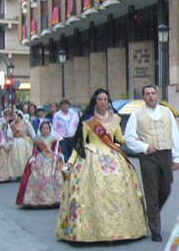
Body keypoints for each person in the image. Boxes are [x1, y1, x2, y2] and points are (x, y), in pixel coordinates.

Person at [56, 89, 147, 242]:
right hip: (92, 157)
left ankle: (120, 229)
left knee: (118, 189)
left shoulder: (115, 118)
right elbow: (80, 143)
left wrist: (134, 139)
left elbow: (119, 138)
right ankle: (94, 230)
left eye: (105, 99)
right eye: (100, 99)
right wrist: (70, 162)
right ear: (95, 101)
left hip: (113, 156)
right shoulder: (88, 120)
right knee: (94, 193)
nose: (103, 102)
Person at [124, 85, 179, 242]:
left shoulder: (166, 111)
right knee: (151, 191)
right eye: (147, 94)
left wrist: (177, 157)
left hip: (166, 153)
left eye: (153, 93)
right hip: (148, 155)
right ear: (143, 97)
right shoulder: (137, 114)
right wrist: (144, 147)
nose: (150, 96)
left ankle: (151, 213)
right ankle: (155, 229)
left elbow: (174, 134)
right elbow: (128, 137)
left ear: (157, 95)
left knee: (166, 187)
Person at [16, 121, 65, 207]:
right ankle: (39, 198)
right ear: (40, 129)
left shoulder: (54, 139)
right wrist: (33, 159)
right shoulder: (37, 140)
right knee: (37, 177)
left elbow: (58, 150)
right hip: (40, 160)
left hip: (51, 161)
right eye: (43, 129)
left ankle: (55, 198)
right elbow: (35, 151)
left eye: (47, 129)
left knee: (54, 177)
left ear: (50, 129)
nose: (45, 130)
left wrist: (58, 157)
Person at [7, 110, 36, 180]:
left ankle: (27, 173)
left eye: (14, 115)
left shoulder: (27, 123)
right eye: (13, 116)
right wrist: (10, 140)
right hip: (16, 143)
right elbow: (10, 133)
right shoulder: (12, 125)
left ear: (19, 116)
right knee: (17, 158)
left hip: (26, 142)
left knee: (25, 157)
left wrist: (35, 139)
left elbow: (32, 132)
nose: (13, 117)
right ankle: (18, 174)